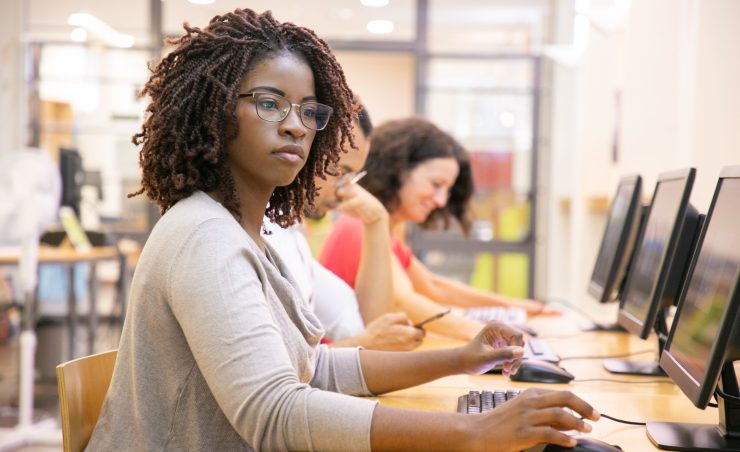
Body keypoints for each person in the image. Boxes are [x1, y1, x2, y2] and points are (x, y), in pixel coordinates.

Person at [86, 8, 599, 451]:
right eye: (269, 103)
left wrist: (462, 359)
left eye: (310, 112)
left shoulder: (249, 236)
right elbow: (275, 414)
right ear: (214, 111)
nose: (295, 125)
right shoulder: (204, 236)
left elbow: (314, 371)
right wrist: (473, 433)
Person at [319, 117, 557, 341]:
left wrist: (518, 307)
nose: (441, 200)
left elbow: (433, 286)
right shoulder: (359, 226)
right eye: (436, 185)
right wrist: (486, 334)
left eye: (447, 190)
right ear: (398, 170)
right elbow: (402, 301)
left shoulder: (385, 232)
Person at [264, 103, 424, 351]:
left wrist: (376, 221)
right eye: (341, 172)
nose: (345, 190)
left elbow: (366, 326)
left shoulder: (290, 235)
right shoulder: (260, 232)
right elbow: (270, 367)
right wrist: (365, 342)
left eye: (353, 177)